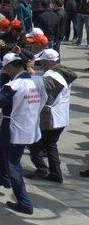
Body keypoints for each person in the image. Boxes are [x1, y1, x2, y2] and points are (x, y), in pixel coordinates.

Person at [0, 53, 47, 215]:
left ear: (14, 66)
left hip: (14, 127)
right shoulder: (38, 81)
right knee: (0, 149)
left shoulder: (14, 86)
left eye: (6, 67)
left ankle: (24, 203)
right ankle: (3, 179)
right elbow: (43, 101)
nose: (5, 70)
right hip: (28, 124)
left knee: (13, 164)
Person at [26, 49, 76, 183]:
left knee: (34, 143)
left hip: (51, 119)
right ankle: (55, 173)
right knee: (50, 145)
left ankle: (43, 169)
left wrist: (32, 76)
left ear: (49, 62)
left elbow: (42, 89)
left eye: (42, 62)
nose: (40, 64)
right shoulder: (62, 72)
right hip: (60, 117)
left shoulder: (53, 76)